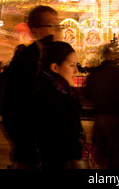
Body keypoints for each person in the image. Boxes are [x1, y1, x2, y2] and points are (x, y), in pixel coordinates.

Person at [2, 5, 62, 169]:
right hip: (32, 139)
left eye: (59, 25)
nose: (58, 30)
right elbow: (12, 104)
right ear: (34, 30)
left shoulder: (55, 57)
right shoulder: (25, 61)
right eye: (52, 25)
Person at [31, 41, 85, 170]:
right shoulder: (48, 97)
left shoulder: (65, 93)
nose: (76, 71)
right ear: (55, 67)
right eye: (72, 65)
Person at [84, 42, 119, 169]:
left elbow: (87, 94)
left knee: (101, 149)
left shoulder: (94, 73)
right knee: (116, 151)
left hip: (99, 116)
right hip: (115, 116)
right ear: (112, 55)